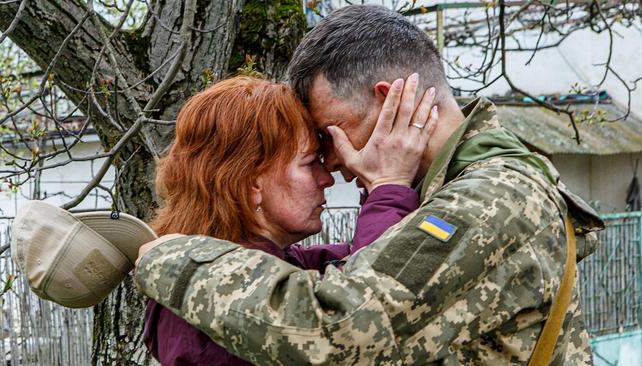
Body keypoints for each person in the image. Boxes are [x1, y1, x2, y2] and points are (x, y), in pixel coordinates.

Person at [135, 5, 604, 365]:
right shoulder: (460, 187)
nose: (335, 165)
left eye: (333, 133)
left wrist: (171, 258)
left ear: (387, 102)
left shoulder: (486, 198)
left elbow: (343, 326)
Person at [143, 75, 438, 365]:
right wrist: (388, 186)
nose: (327, 179)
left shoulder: (255, 269)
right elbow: (362, 321)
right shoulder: (226, 298)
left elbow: (363, 267)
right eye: (310, 164)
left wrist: (384, 183)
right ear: (251, 185)